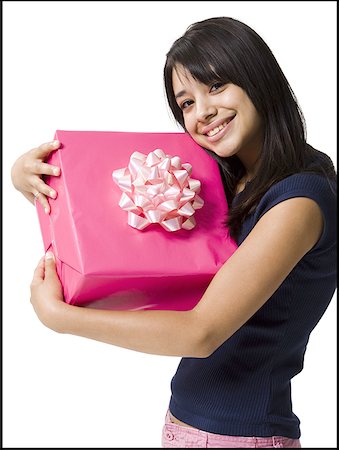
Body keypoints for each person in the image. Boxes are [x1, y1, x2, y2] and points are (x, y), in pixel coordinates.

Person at [11, 17, 336, 449]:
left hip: (239, 436)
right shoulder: (229, 181)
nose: (202, 112)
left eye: (216, 86)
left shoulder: (299, 201)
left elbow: (201, 332)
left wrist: (62, 319)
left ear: (258, 79)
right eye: (186, 103)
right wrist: (27, 179)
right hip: (190, 425)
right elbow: (113, 230)